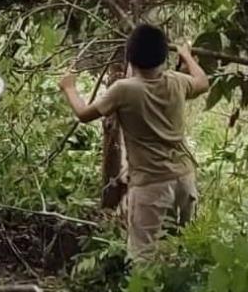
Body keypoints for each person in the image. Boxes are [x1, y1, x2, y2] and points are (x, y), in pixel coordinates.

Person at [58, 24, 209, 259]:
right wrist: (187, 56)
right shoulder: (177, 81)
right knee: (178, 250)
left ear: (130, 58)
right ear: (164, 57)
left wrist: (69, 88)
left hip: (152, 184)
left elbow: (84, 114)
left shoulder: (124, 90)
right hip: (184, 179)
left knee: (144, 257)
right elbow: (202, 82)